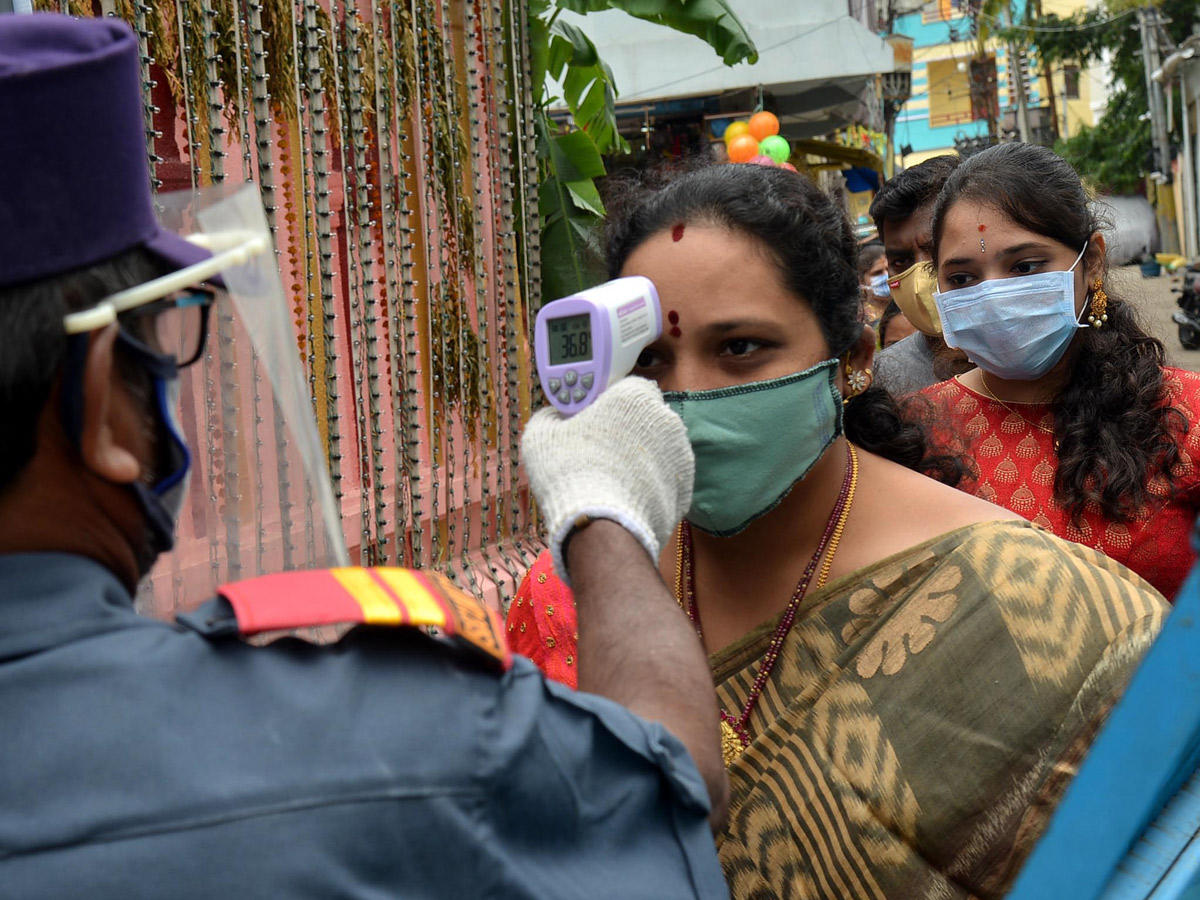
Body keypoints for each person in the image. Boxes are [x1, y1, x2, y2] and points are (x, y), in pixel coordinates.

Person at [0, 14, 731, 897]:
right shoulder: (372, 738)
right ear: (104, 406)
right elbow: (663, 791)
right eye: (172, 342)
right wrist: (604, 505)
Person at [506, 162, 1167, 899]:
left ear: (851, 359)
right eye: (650, 362)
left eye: (740, 348)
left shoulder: (1032, 596)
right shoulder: (566, 597)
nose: (685, 397)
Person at [917, 142, 1200, 600]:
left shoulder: (1187, 416)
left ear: (1091, 263)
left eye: (1025, 266)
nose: (994, 297)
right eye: (963, 278)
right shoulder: (916, 434)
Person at [869, 155, 972, 394]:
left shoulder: (1042, 352)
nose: (920, 278)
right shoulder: (883, 383)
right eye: (901, 261)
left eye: (935, 250)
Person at [857, 240, 890, 324]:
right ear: (862, 281)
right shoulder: (860, 319)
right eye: (877, 273)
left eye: (889, 269)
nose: (887, 276)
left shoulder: (908, 307)